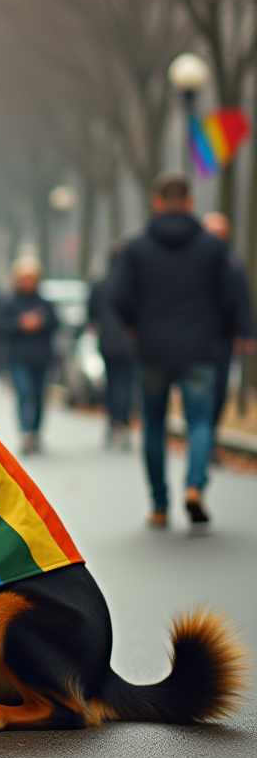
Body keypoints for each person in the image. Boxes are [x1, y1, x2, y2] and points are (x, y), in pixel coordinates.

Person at [113, 173, 238, 529]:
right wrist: (222, 335)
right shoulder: (212, 248)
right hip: (199, 347)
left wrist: (135, 325)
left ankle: (159, 504)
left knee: (154, 424)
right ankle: (195, 485)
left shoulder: (137, 247)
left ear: (156, 202)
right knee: (199, 420)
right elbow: (229, 299)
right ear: (190, 201)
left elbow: (119, 296)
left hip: (152, 348)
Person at [200, 211, 255, 437]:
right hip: (199, 338)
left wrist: (247, 334)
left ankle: (210, 435)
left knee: (221, 390)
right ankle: (203, 436)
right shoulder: (196, 262)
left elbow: (243, 300)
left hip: (223, 338)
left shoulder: (233, 263)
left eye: (221, 234)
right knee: (202, 391)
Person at [0, 256, 58, 454]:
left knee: (39, 396)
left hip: (41, 357)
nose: (28, 282)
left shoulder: (44, 302)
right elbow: (0, 326)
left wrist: (41, 322)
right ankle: (26, 433)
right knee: (25, 392)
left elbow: (56, 324)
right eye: (25, 278)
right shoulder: (10, 302)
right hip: (18, 358)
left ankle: (36, 433)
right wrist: (20, 323)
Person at [88, 246, 135, 449]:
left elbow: (91, 314)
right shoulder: (133, 285)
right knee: (127, 383)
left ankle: (112, 422)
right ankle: (122, 424)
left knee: (111, 382)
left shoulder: (101, 285)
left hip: (107, 342)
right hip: (130, 342)